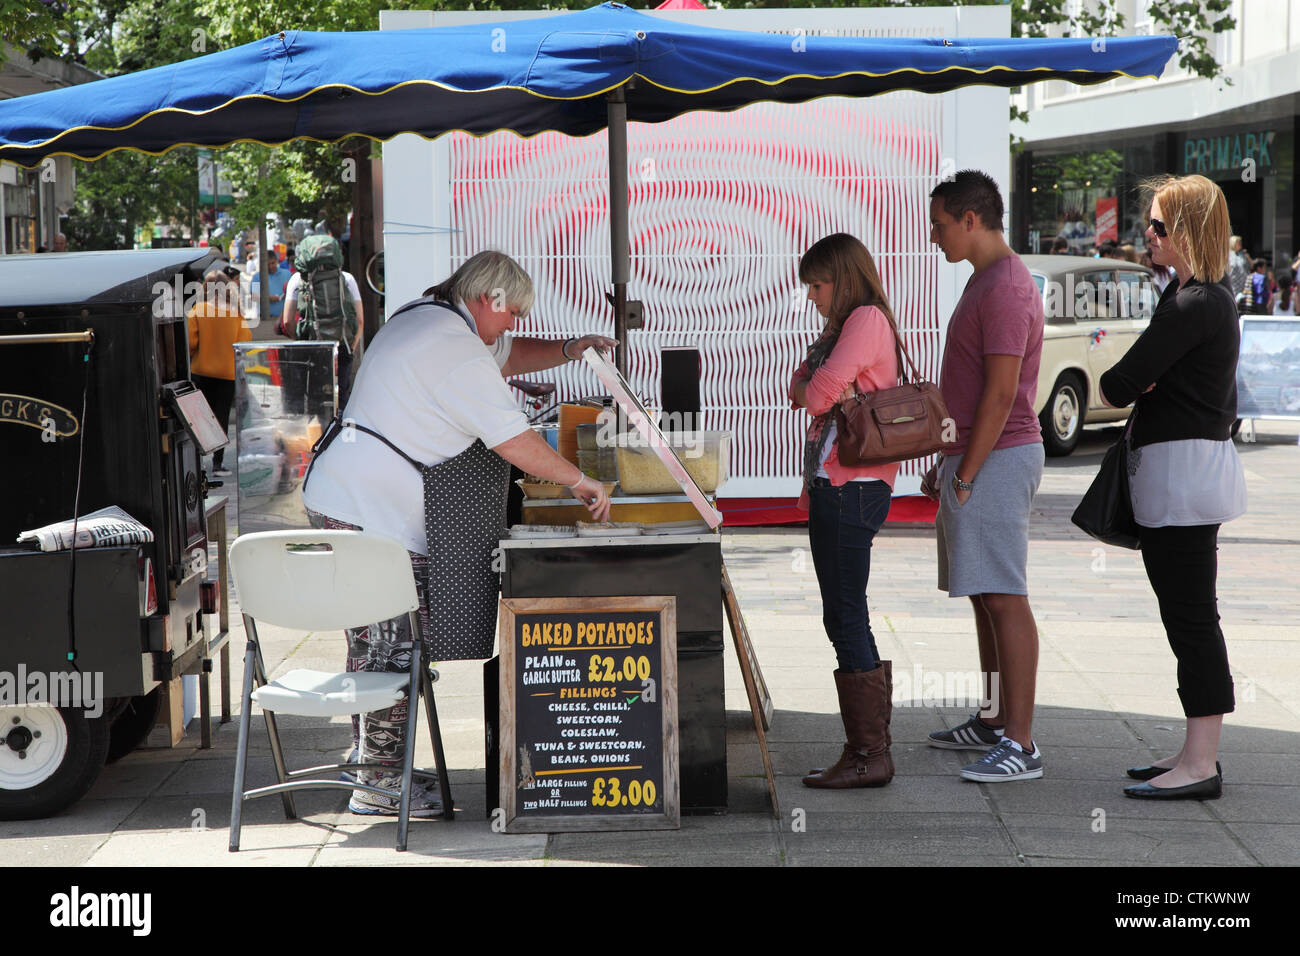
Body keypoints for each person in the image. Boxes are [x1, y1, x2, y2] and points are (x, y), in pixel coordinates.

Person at [301, 250, 616, 816]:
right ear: (485, 300)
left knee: (376, 645)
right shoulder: (453, 348)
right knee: (393, 649)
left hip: (347, 498)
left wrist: (571, 349)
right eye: (513, 310)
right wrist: (579, 481)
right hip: (366, 511)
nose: (515, 322)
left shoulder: (427, 316)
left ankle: (375, 763)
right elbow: (513, 441)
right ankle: (377, 785)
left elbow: (508, 353)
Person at [1099, 174, 1246, 801]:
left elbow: (1116, 383)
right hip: (1183, 475)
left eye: (1158, 226)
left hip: (1183, 480)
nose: (1147, 235)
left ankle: (1202, 762)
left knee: (1191, 620)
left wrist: (1137, 378)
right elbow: (1132, 381)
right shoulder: (1197, 298)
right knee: (1188, 617)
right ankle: (1194, 750)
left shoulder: (1194, 303)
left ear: (1187, 230)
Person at [921, 169, 1046, 782]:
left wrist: (965, 474)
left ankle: (1020, 745)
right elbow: (972, 392)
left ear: (971, 220)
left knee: (1004, 595)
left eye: (941, 224)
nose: (935, 235)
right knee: (984, 595)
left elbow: (1000, 396)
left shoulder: (1004, 287)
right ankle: (996, 721)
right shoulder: (987, 280)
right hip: (977, 456)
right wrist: (947, 459)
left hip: (998, 456)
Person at [788, 233, 901, 790]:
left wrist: (820, 384)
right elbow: (798, 389)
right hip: (843, 484)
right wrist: (819, 383)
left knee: (846, 614)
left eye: (817, 284)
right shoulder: (845, 328)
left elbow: (811, 396)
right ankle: (869, 749)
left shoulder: (863, 322)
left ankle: (869, 755)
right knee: (844, 613)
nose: (811, 295)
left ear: (843, 278)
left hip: (850, 485)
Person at [280, 240, 364, 408]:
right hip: (342, 346)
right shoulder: (347, 278)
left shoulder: (297, 279)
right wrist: (350, 348)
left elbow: (288, 321)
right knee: (341, 400)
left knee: (314, 401)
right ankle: (341, 431)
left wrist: (300, 342)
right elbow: (360, 320)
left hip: (310, 348)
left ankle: (318, 431)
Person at [188, 265, 252, 476]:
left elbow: (191, 343)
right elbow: (244, 342)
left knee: (198, 418)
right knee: (221, 416)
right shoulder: (235, 312)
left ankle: (196, 461)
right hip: (227, 373)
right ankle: (218, 463)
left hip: (200, 372)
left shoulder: (197, 310)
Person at [248, 250, 290, 330]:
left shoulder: (287, 274)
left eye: (272, 263)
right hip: (264, 319)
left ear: (276, 261)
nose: (270, 267)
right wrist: (268, 298)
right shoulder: (257, 277)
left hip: (283, 317)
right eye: (268, 264)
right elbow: (254, 296)